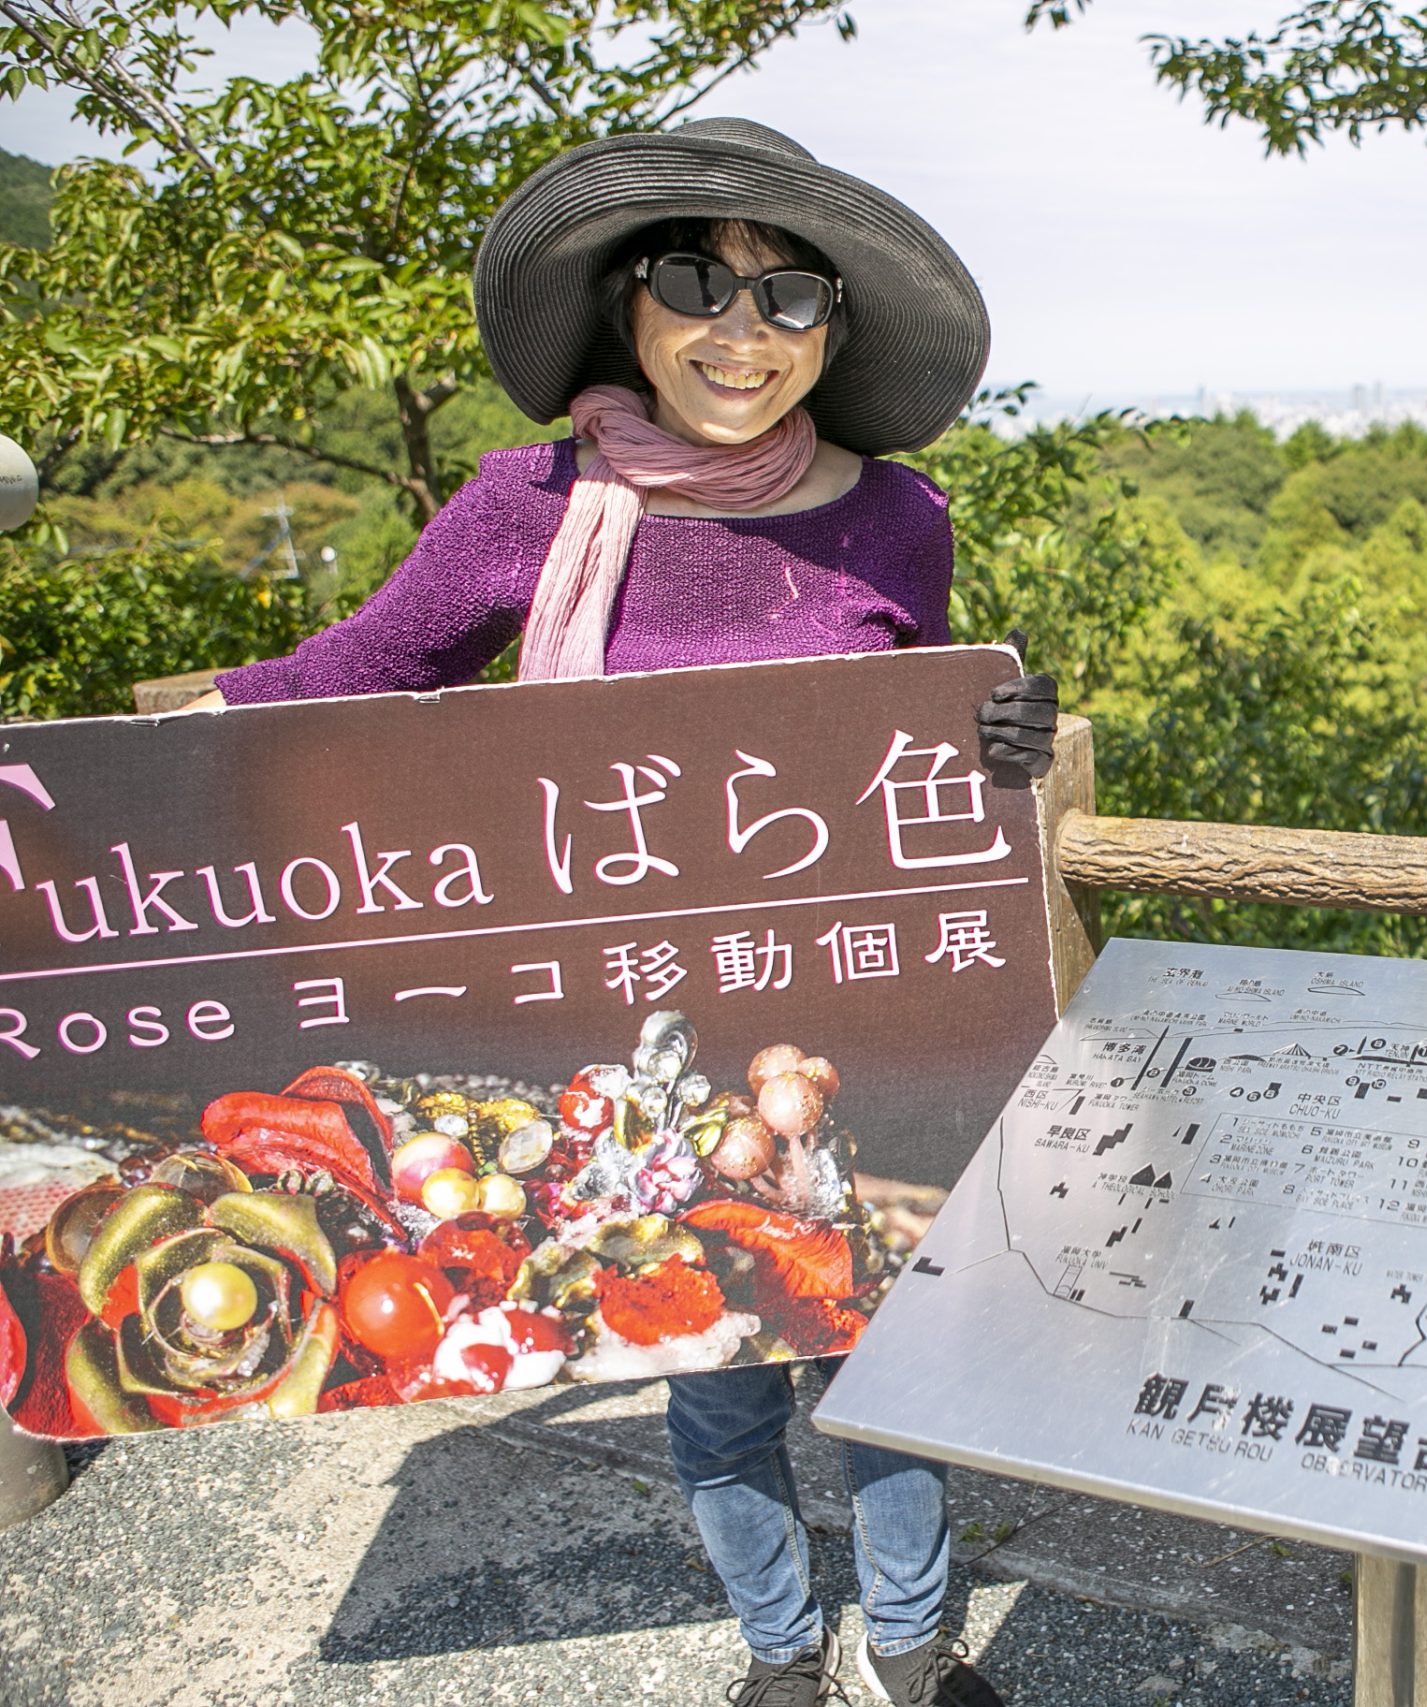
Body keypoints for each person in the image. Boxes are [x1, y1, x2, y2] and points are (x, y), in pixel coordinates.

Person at [194, 118, 1046, 1707]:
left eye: (788, 296)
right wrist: (124, 762)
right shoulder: (525, 506)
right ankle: (780, 1654)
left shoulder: (896, 518)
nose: (743, 332)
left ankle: (914, 1649)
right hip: (628, 1041)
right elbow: (356, 674)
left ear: (833, 329)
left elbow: (905, 754)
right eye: (694, 284)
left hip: (849, 1026)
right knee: (710, 1369)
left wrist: (994, 734)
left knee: (891, 1358)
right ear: (624, 307)